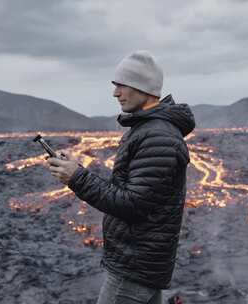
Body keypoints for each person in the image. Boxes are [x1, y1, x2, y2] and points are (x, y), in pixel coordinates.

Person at [46, 50, 195, 304]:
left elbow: (133, 205)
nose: (115, 93)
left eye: (122, 85)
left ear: (143, 88)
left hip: (134, 268)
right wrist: (77, 172)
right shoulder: (148, 129)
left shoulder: (157, 135)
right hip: (140, 263)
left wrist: (77, 177)